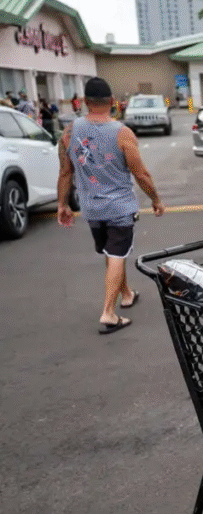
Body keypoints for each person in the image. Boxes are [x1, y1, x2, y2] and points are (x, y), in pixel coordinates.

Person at [57, 76, 165, 335]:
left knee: (112, 251)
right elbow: (141, 174)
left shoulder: (69, 132)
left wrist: (62, 204)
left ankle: (126, 293)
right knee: (116, 253)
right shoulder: (122, 133)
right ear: (113, 101)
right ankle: (108, 312)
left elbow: (65, 172)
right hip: (119, 208)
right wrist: (156, 199)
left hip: (91, 208)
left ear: (84, 102)